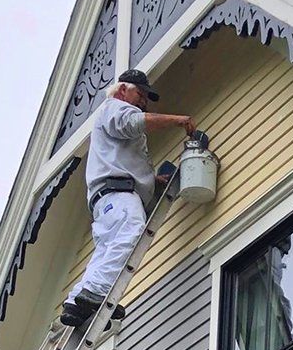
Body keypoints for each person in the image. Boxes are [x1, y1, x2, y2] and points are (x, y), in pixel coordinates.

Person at [61, 68, 196, 327]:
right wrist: (177, 120)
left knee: (106, 252)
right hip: (119, 195)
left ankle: (76, 303)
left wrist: (150, 181)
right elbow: (133, 122)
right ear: (123, 90)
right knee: (131, 231)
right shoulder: (116, 108)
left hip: (108, 200)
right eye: (140, 94)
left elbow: (123, 157)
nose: (143, 101)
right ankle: (97, 292)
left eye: (146, 97)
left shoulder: (111, 119)